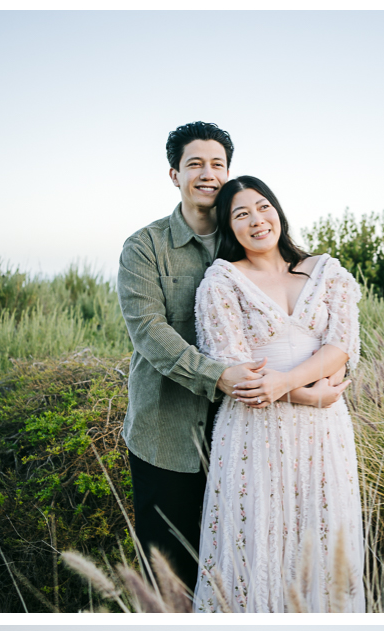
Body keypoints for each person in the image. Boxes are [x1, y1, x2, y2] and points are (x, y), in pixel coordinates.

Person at [192, 176, 365, 612]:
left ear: (278, 210)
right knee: (257, 543)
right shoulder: (222, 282)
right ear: (229, 228)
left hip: (324, 433)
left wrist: (287, 384)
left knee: (325, 539)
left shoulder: (327, 271)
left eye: (262, 206)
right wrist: (303, 394)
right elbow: (239, 375)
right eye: (241, 214)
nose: (256, 220)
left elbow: (340, 348)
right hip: (256, 431)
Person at [118, 121, 242, 593]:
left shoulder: (249, 239)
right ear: (174, 174)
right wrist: (219, 376)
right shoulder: (144, 248)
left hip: (241, 434)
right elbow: (149, 332)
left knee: (232, 570)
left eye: (217, 164)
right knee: (170, 578)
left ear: (228, 173)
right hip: (163, 438)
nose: (207, 173)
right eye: (195, 164)